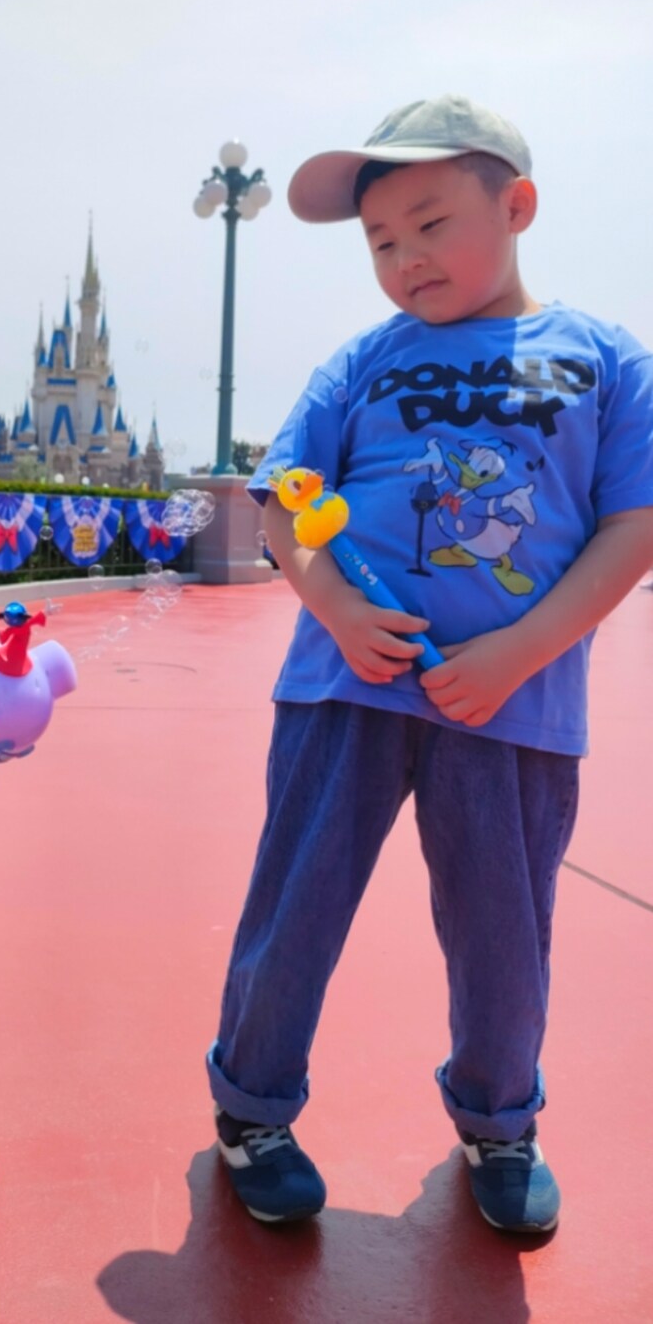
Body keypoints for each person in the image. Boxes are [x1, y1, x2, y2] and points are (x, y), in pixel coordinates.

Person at [206, 96, 653, 1234]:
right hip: (343, 687)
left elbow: (633, 524)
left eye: (430, 223)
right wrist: (337, 607)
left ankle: (500, 1122)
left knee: (505, 937)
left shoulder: (610, 361)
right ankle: (252, 1107)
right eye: (379, 241)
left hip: (514, 704)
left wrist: (518, 652)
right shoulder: (361, 361)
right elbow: (287, 507)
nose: (404, 258)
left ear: (517, 206)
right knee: (294, 906)